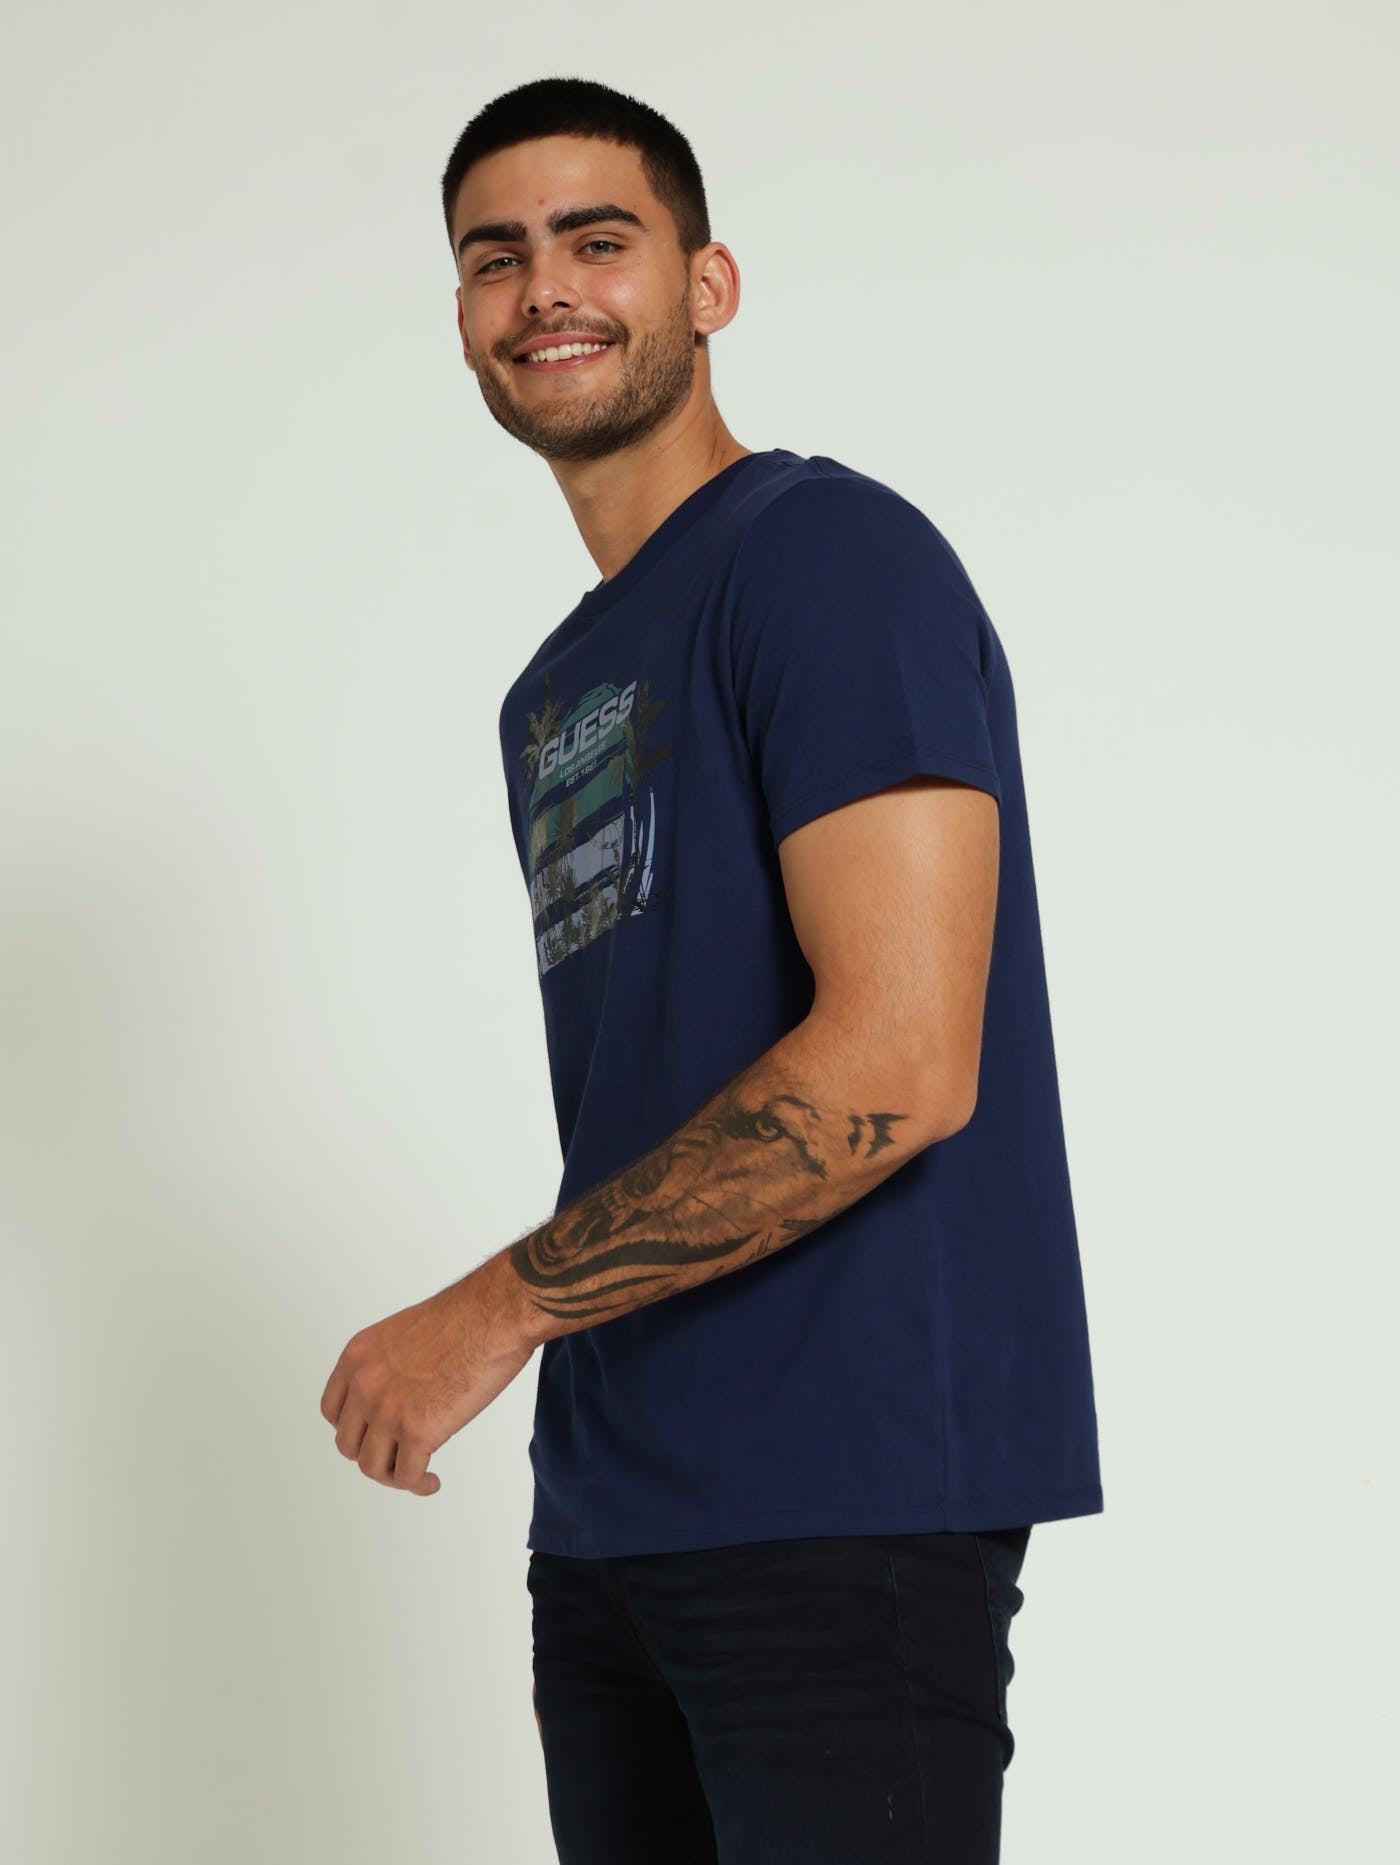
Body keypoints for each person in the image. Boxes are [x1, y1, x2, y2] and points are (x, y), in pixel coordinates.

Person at [319, 74, 1103, 1865]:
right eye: (495, 257)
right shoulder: (552, 691)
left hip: (842, 1495)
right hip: (612, 1515)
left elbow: (902, 1057)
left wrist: (491, 1312)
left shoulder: (825, 557)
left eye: (598, 240)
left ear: (708, 282)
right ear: (464, 316)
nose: (545, 288)